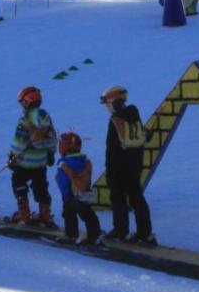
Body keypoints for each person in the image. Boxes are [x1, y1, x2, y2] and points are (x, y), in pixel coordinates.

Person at [101, 85, 154, 244]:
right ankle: (144, 233)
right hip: (135, 165)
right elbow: (146, 136)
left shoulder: (116, 119)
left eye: (107, 103)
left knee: (118, 199)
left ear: (113, 102)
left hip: (118, 167)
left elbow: (113, 147)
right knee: (137, 198)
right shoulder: (134, 116)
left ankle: (120, 231)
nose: (107, 107)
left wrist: (110, 167)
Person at [7, 86, 57, 227]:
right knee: (41, 187)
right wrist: (51, 153)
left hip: (24, 162)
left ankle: (24, 215)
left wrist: (12, 156)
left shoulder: (25, 120)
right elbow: (53, 138)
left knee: (18, 183)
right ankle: (45, 215)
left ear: (27, 102)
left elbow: (19, 142)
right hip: (41, 162)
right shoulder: (46, 117)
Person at [54, 132, 101, 245]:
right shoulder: (85, 161)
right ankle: (94, 235)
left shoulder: (64, 164)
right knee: (88, 214)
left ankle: (71, 234)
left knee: (69, 214)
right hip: (85, 193)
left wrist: (66, 196)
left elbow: (64, 183)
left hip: (71, 196)